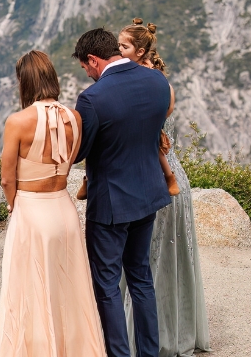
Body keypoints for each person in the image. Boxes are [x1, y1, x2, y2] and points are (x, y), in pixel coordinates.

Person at [0, 50, 106, 357]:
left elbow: (7, 179)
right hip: (64, 209)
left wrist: (11, 205)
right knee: (69, 291)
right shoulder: (75, 117)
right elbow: (70, 162)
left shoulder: (18, 121)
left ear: (24, 82)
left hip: (32, 210)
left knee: (29, 291)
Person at [74, 27, 172, 357]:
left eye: (85, 68)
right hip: (149, 194)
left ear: (93, 59)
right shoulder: (157, 82)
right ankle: (149, 352)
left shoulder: (93, 98)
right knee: (141, 278)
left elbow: (79, 151)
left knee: (107, 284)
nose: (87, 75)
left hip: (111, 203)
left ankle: (118, 354)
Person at [117, 21, 211, 357]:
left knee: (145, 261)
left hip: (156, 178)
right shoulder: (161, 85)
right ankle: (170, 330)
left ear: (139, 52)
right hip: (169, 178)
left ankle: (142, 336)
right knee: (161, 260)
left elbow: (152, 140)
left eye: (123, 48)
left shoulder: (139, 88)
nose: (118, 54)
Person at [119, 20, 179, 197]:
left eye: (124, 47)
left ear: (139, 52)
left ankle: (169, 177)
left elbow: (168, 106)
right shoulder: (142, 73)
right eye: (119, 46)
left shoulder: (148, 75)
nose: (119, 50)